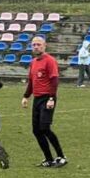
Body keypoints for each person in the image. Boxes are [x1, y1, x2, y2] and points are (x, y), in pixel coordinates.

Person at [22, 36, 67, 168]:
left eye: (39, 44)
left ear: (44, 46)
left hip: (47, 98)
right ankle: (48, 159)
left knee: (45, 128)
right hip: (37, 99)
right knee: (36, 130)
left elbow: (54, 80)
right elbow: (31, 81)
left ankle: (61, 156)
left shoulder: (50, 61)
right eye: (34, 45)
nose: (36, 47)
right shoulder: (33, 62)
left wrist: (51, 98)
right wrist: (26, 96)